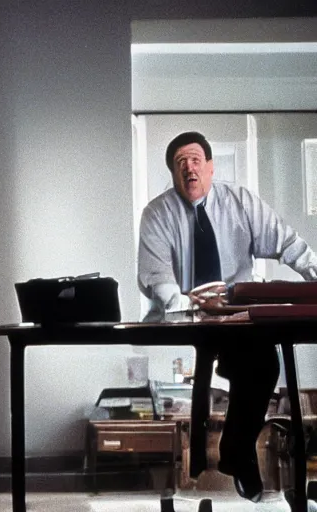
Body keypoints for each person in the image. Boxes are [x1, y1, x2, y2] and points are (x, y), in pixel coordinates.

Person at [137, 131, 317, 501]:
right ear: (172, 172)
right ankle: (236, 450)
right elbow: (158, 279)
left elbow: (287, 243)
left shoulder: (240, 202)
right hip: (184, 313)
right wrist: (189, 306)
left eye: (196, 160)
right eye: (180, 163)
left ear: (210, 167)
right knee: (243, 357)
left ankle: (237, 447)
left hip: (237, 313)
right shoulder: (157, 213)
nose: (189, 168)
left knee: (265, 363)